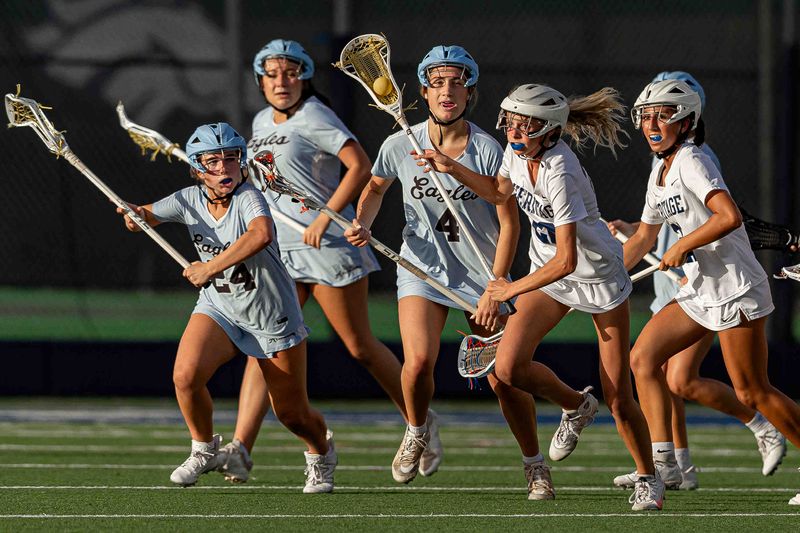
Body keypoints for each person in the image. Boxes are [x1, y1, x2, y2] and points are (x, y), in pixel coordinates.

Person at [413, 83, 665, 511]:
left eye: (525, 124)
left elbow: (568, 259)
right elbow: (499, 193)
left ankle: (649, 477)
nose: (514, 130)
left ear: (549, 131)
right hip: (550, 275)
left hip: (597, 278)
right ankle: (577, 406)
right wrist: (449, 167)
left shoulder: (559, 170)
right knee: (508, 368)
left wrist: (507, 289)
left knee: (620, 395)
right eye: (512, 120)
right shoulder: (518, 153)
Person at [214, 38, 437, 483]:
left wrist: (322, 216)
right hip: (280, 250)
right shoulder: (260, 121)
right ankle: (240, 448)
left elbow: (360, 164)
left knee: (359, 346)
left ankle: (421, 426)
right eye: (273, 73)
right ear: (260, 81)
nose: (282, 81)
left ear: (303, 78)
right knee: (266, 344)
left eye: (291, 72)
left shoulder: (315, 115)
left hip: (326, 246)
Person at [346, 45, 559, 500]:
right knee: (419, 362)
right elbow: (375, 188)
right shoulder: (399, 144)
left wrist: (497, 289)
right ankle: (417, 429)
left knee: (504, 378)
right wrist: (362, 221)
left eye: (457, 82)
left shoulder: (487, 148)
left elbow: (509, 221)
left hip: (480, 277)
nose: (448, 90)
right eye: (438, 82)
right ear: (423, 92)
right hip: (422, 269)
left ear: (470, 92)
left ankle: (534, 465)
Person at [115, 123, 336, 492]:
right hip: (220, 307)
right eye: (213, 161)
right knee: (185, 376)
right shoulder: (187, 199)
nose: (224, 169)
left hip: (271, 315)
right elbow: (146, 217)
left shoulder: (250, 198)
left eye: (231, 159)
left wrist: (209, 267)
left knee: (292, 414)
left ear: (241, 163)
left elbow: (260, 234)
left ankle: (322, 450)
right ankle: (204, 449)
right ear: (198, 168)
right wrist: (135, 216)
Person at [623, 78, 800, 506]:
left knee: (753, 391)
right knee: (643, 359)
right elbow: (644, 238)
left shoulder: (691, 161)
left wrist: (683, 244)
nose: (652, 123)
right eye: (646, 115)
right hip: (701, 289)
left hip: (736, 289)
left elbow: (728, 216)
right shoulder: (660, 170)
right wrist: (602, 275)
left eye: (663, 115)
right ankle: (663, 463)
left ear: (685, 122)